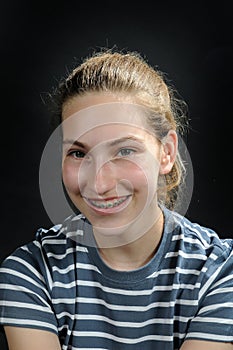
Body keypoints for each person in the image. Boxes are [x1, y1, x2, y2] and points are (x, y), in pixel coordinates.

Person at [0, 48, 233, 350]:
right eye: (79, 153)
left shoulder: (220, 271)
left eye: (125, 151)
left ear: (167, 153)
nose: (99, 183)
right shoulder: (30, 274)